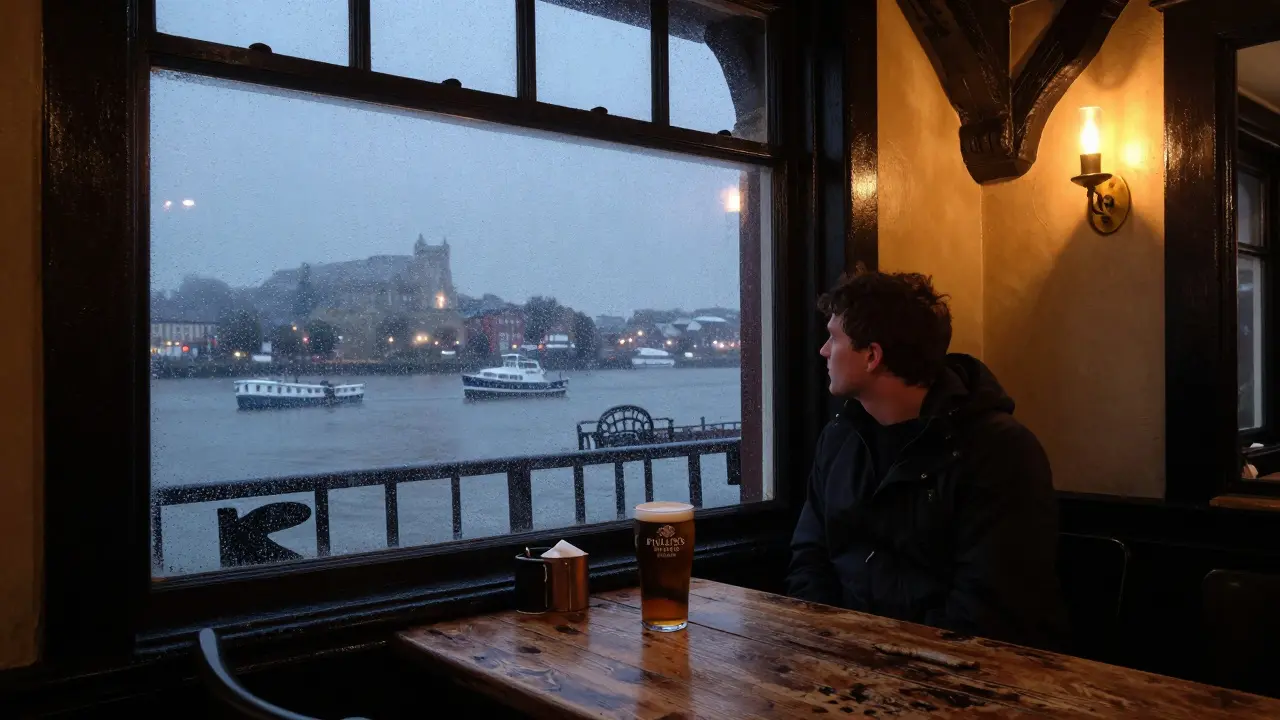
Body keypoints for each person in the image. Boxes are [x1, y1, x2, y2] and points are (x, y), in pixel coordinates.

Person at [787, 268, 1067, 649]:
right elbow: (809, 555)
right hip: (843, 656)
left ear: (872, 356)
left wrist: (883, 656)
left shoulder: (1001, 451)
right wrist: (827, 639)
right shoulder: (839, 439)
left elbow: (989, 609)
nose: (823, 350)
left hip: (967, 669)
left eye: (833, 338)